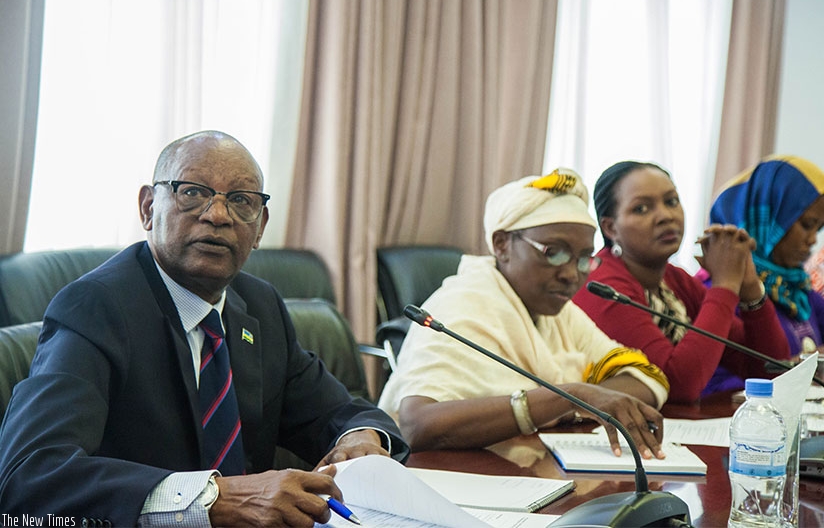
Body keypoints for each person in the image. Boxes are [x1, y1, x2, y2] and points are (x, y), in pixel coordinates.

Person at [0, 130, 409, 526]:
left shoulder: (260, 307)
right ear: (147, 208)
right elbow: (31, 473)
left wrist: (362, 439)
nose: (217, 215)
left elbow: (342, 411)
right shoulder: (97, 308)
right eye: (192, 192)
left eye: (240, 200)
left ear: (260, 225)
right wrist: (213, 500)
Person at [378, 168, 670, 465]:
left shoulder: (558, 311)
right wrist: (566, 398)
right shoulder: (462, 304)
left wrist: (570, 403)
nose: (571, 274)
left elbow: (647, 379)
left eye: (583, 259)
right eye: (553, 252)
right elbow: (417, 425)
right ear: (502, 244)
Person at [572, 161, 790, 403]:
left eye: (671, 201)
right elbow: (675, 385)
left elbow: (772, 371)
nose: (665, 216)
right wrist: (725, 285)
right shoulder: (601, 286)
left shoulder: (674, 280)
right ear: (611, 228)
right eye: (642, 209)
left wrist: (749, 287)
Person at [701, 155, 824, 358]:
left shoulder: (798, 290)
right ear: (766, 220)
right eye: (806, 225)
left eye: (818, 229)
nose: (813, 240)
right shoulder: (718, 292)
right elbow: (718, 381)